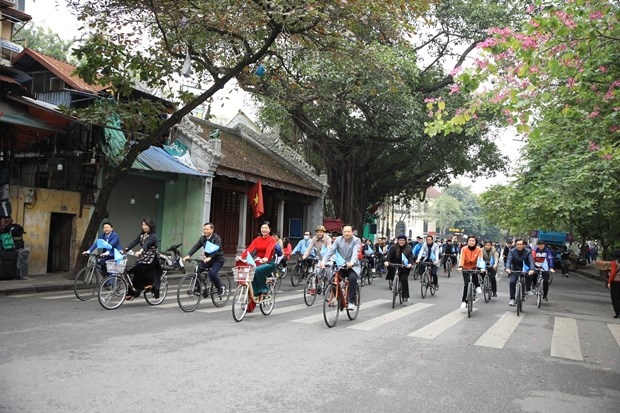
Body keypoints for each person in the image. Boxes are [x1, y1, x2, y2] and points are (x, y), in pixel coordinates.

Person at [320, 224, 361, 310]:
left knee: (352, 279)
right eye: (345, 231)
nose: (346, 233)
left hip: (352, 266)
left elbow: (355, 252)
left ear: (352, 232)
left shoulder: (356, 240)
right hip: (340, 265)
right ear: (342, 232)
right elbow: (330, 251)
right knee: (332, 280)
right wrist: (323, 261)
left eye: (348, 232)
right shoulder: (338, 240)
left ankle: (352, 302)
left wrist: (352, 262)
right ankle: (337, 297)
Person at [123, 218, 162, 300]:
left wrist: (141, 250)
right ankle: (132, 293)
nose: (144, 226)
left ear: (150, 226)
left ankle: (150, 284)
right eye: (143, 225)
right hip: (144, 257)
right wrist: (125, 249)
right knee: (134, 270)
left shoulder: (153, 236)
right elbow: (134, 242)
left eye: (146, 225)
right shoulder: (141, 235)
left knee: (140, 269)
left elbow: (147, 244)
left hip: (151, 258)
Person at [183, 223, 225, 297]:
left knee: (212, 273)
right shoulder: (203, 238)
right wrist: (188, 255)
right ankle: (198, 289)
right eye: (204, 229)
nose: (204, 231)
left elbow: (216, 249)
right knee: (197, 269)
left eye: (207, 229)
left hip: (218, 260)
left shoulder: (217, 238)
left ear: (212, 230)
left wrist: (210, 257)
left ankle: (220, 287)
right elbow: (196, 246)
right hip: (208, 260)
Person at [237, 222, 277, 299]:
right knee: (248, 271)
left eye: (266, 228)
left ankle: (263, 289)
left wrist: (266, 258)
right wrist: (241, 256)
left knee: (257, 270)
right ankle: (253, 292)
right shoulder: (257, 239)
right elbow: (249, 249)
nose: (264, 230)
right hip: (258, 261)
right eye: (262, 228)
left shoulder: (272, 239)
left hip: (268, 262)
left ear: (269, 230)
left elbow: (269, 248)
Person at [384, 235, 414, 304]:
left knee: (404, 279)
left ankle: (405, 296)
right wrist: (386, 261)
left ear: (405, 241)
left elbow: (410, 258)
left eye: (403, 240)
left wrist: (410, 264)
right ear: (398, 241)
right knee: (391, 273)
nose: (401, 241)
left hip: (405, 267)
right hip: (394, 265)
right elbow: (389, 256)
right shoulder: (393, 247)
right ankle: (394, 283)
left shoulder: (408, 248)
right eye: (400, 240)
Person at [505, 238, 535, 306]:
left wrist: (531, 269)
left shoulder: (528, 251)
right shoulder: (512, 251)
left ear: (523, 245)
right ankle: (512, 299)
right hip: (515, 269)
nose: (519, 246)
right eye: (518, 244)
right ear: (515, 244)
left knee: (530, 275)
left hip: (525, 268)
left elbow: (531, 260)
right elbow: (509, 260)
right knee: (512, 282)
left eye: (521, 244)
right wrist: (507, 268)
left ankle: (528, 289)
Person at [457, 236, 485, 309]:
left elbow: (480, 259)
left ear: (475, 242)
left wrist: (481, 268)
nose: (471, 242)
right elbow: (462, 258)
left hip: (474, 266)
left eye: (473, 241)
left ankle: (477, 285)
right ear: (467, 242)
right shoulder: (464, 249)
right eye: (470, 240)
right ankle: (464, 301)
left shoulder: (478, 250)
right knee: (466, 284)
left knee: (475, 274)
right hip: (465, 267)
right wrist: (460, 266)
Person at [606, 249, 620, 318]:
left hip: (616, 282)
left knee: (615, 298)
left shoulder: (615, 262)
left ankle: (618, 313)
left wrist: (609, 282)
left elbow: (613, 273)